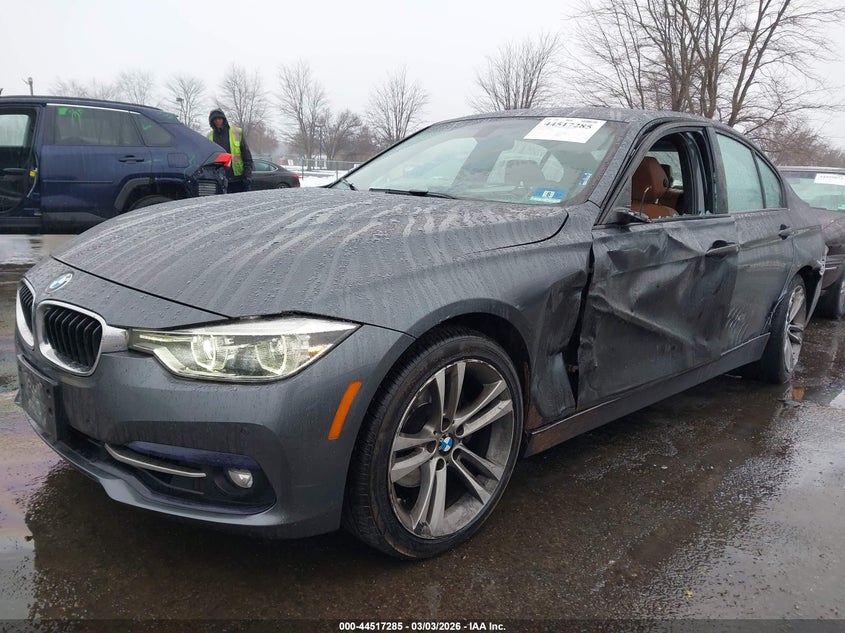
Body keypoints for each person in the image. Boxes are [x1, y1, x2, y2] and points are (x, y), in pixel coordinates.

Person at [208, 109, 254, 193]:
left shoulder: (236, 132)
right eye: (215, 119)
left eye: (219, 119)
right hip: (220, 179)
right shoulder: (210, 136)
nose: (218, 121)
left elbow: (246, 155)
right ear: (212, 122)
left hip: (238, 179)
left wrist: (247, 174)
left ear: (224, 119)